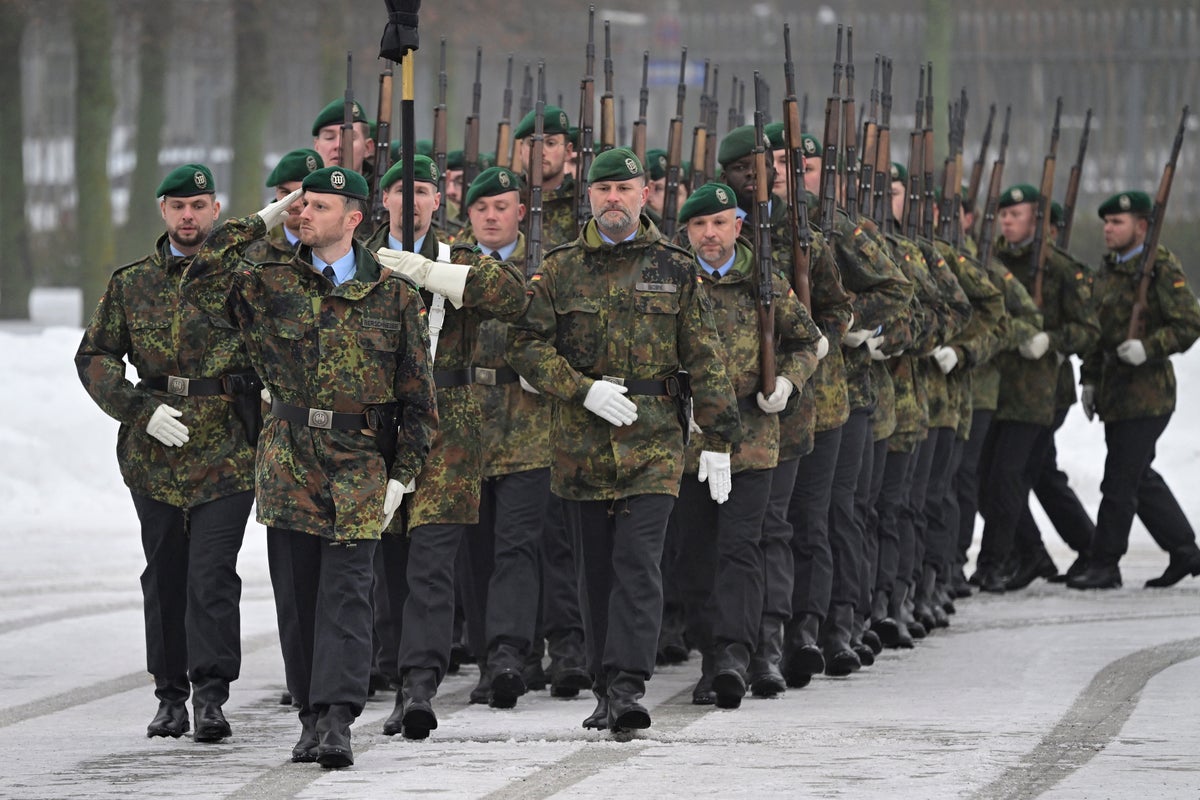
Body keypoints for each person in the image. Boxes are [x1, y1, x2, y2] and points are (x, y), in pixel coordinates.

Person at [181, 165, 438, 768]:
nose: (305, 215)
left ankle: (336, 718)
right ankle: (308, 712)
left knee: (349, 595)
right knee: (299, 599)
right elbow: (197, 275)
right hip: (289, 458)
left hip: (360, 462)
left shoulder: (392, 292)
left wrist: (403, 475)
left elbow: (419, 398)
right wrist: (265, 217)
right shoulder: (267, 282)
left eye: (320, 207)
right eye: (301, 205)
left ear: (354, 219)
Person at [507, 148, 741, 733]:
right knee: (594, 574)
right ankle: (604, 684)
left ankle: (629, 685)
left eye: (625, 189)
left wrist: (718, 436)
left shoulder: (675, 266)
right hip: (581, 443)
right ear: (590, 196)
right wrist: (579, 389)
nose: (614, 199)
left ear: (645, 196)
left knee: (639, 565)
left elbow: (704, 355)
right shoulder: (559, 268)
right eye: (603, 189)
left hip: (655, 440)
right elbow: (526, 346)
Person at [76, 163, 260, 743]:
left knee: (211, 574)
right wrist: (138, 409)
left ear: (216, 210)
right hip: (154, 449)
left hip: (228, 446)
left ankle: (211, 695)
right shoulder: (131, 283)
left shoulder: (242, 277)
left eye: (199, 205)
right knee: (164, 575)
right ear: (162, 210)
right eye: (178, 206)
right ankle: (170, 696)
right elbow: (95, 356)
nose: (188, 216)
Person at [369, 157, 530, 739]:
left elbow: (511, 295)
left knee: (431, 565)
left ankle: (419, 687)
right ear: (381, 200)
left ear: (439, 202)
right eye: (398, 192)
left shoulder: (458, 258)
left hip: (446, 434)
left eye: (422, 192)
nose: (410, 202)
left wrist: (436, 276)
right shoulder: (359, 260)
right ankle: (394, 671)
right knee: (386, 568)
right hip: (377, 432)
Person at [673, 182, 821, 708]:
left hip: (752, 440)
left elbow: (808, 341)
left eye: (719, 223)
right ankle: (714, 656)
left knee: (742, 549)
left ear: (739, 226)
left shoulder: (764, 283)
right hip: (688, 443)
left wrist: (787, 381)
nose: (709, 235)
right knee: (695, 555)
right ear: (686, 231)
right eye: (699, 225)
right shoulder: (672, 278)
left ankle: (742, 655)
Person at [1071, 190, 1200, 589]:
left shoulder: (1160, 267)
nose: (1108, 229)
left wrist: (1149, 348)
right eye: (1106, 223)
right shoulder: (1107, 271)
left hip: (1149, 395)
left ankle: (1105, 563)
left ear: (1142, 226)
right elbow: (1096, 332)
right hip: (1115, 395)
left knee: (1120, 480)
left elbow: (1189, 323)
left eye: (1118, 223)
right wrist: (1089, 379)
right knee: (1138, 476)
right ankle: (1185, 552)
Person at [972, 184, 1098, 593]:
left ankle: (1000, 560)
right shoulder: (993, 262)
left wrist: (1053, 341)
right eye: (1003, 214)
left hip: (1040, 393)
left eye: (1016, 214)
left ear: (1038, 221)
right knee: (1015, 476)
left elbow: (1088, 330)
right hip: (996, 388)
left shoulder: (1060, 268)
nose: (1006, 221)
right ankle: (1058, 550)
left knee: (1007, 476)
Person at [243, 149, 323, 264]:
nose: (294, 204)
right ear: (276, 192)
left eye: (302, 193)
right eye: (285, 193)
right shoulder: (253, 246)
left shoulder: (338, 244)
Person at [311, 98, 374, 175]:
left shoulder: (384, 187)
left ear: (367, 147)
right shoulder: (302, 186)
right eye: (329, 137)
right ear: (316, 146)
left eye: (349, 138)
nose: (338, 145)